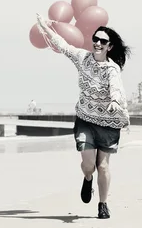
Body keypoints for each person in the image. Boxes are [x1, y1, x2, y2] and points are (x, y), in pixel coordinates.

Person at [36, 13, 131, 219]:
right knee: (89, 165)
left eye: (102, 41)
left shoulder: (112, 69)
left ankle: (103, 204)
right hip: (85, 119)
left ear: (110, 47)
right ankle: (88, 179)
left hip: (108, 123)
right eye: (95, 39)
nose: (97, 43)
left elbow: (116, 87)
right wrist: (45, 27)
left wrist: (115, 101)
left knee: (103, 165)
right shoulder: (82, 58)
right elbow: (62, 45)